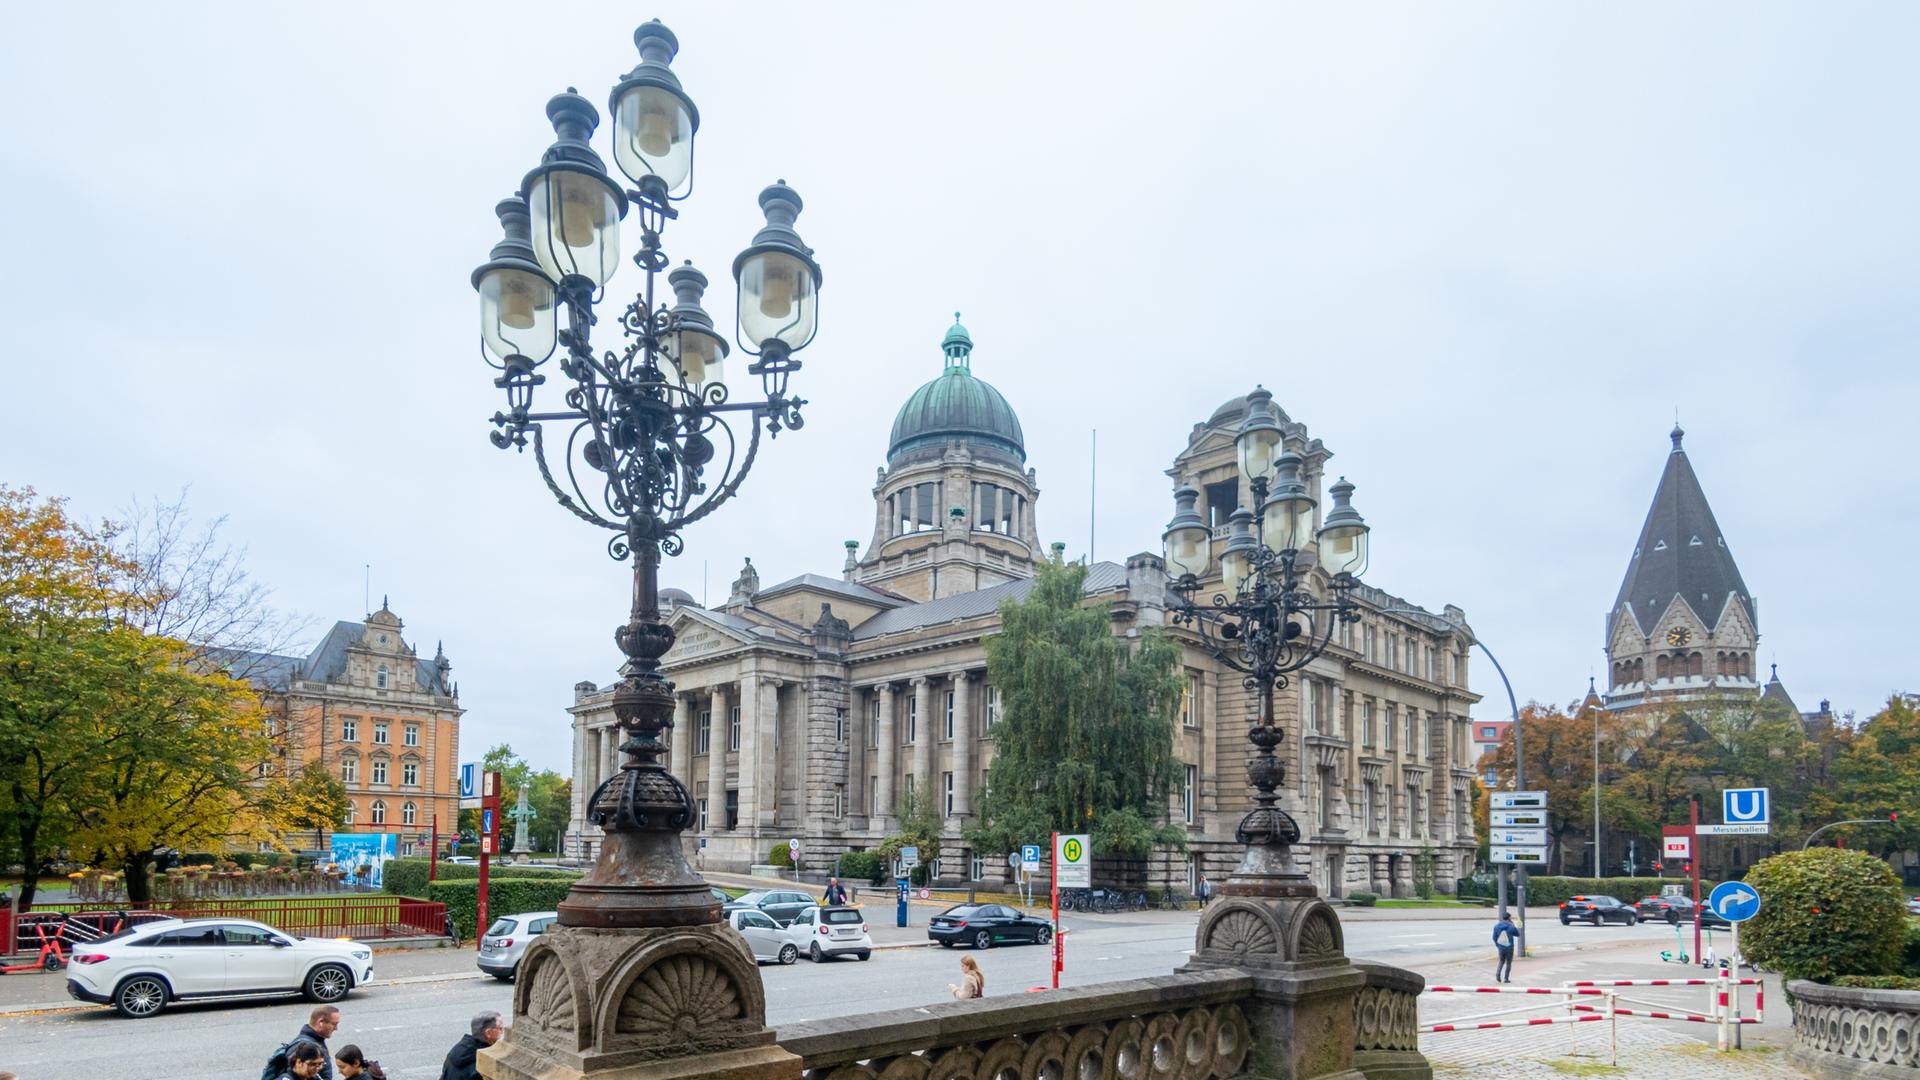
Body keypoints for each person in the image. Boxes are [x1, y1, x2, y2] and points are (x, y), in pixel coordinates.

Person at [441, 1010, 504, 1080]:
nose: (502, 1032)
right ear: (488, 1033)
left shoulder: (456, 1050)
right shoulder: (483, 1062)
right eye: (500, 1029)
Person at [286, 1005, 339, 1080]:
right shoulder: (302, 1047)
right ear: (321, 1022)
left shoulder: (316, 1041)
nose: (336, 1028)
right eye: (334, 1024)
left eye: (320, 1064)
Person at [1491, 912, 1519, 984]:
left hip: (1501, 946)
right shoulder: (1511, 926)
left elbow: (1494, 937)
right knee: (1508, 963)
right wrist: (1513, 924)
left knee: (1501, 961)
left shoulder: (1496, 926)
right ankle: (1506, 978)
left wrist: (1498, 945)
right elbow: (1517, 934)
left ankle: (1498, 974)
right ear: (1509, 918)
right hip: (1509, 947)